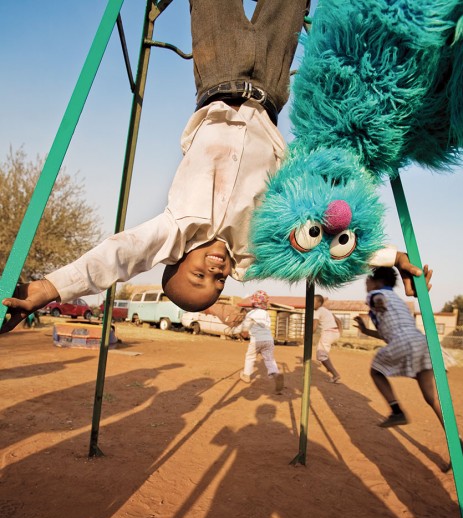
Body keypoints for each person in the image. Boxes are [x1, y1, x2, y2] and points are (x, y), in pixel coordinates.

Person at [1, 1, 429, 334]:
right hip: (271, 92)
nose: (218, 272)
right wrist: (394, 257)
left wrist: (48, 289)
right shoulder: (257, 248)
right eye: (218, 283)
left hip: (219, 76)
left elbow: (118, 257)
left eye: (200, 274)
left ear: (176, 259)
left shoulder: (175, 229)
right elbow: (323, 245)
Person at [354, 266, 446, 430]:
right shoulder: (398, 300)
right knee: (431, 397)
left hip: (404, 344)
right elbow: (388, 333)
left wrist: (378, 302)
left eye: (368, 280)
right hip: (421, 342)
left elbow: (378, 298)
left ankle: (397, 411)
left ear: (378, 282)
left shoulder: (375, 295)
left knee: (376, 371)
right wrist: (366, 330)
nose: (366, 284)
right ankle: (456, 437)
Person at [237, 290, 284, 393]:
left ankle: (246, 375)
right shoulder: (266, 314)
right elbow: (266, 326)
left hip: (256, 340)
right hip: (268, 340)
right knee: (269, 359)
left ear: (254, 302)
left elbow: (245, 330)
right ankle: (275, 374)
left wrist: (241, 332)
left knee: (250, 357)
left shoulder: (250, 314)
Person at [313, 294, 342, 383]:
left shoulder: (317, 311)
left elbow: (314, 328)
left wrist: (306, 335)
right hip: (335, 333)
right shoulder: (326, 310)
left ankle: (335, 375)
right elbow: (338, 320)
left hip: (328, 333)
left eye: (313, 302)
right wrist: (340, 331)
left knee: (321, 355)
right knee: (323, 353)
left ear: (320, 303)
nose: (311, 303)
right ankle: (329, 368)